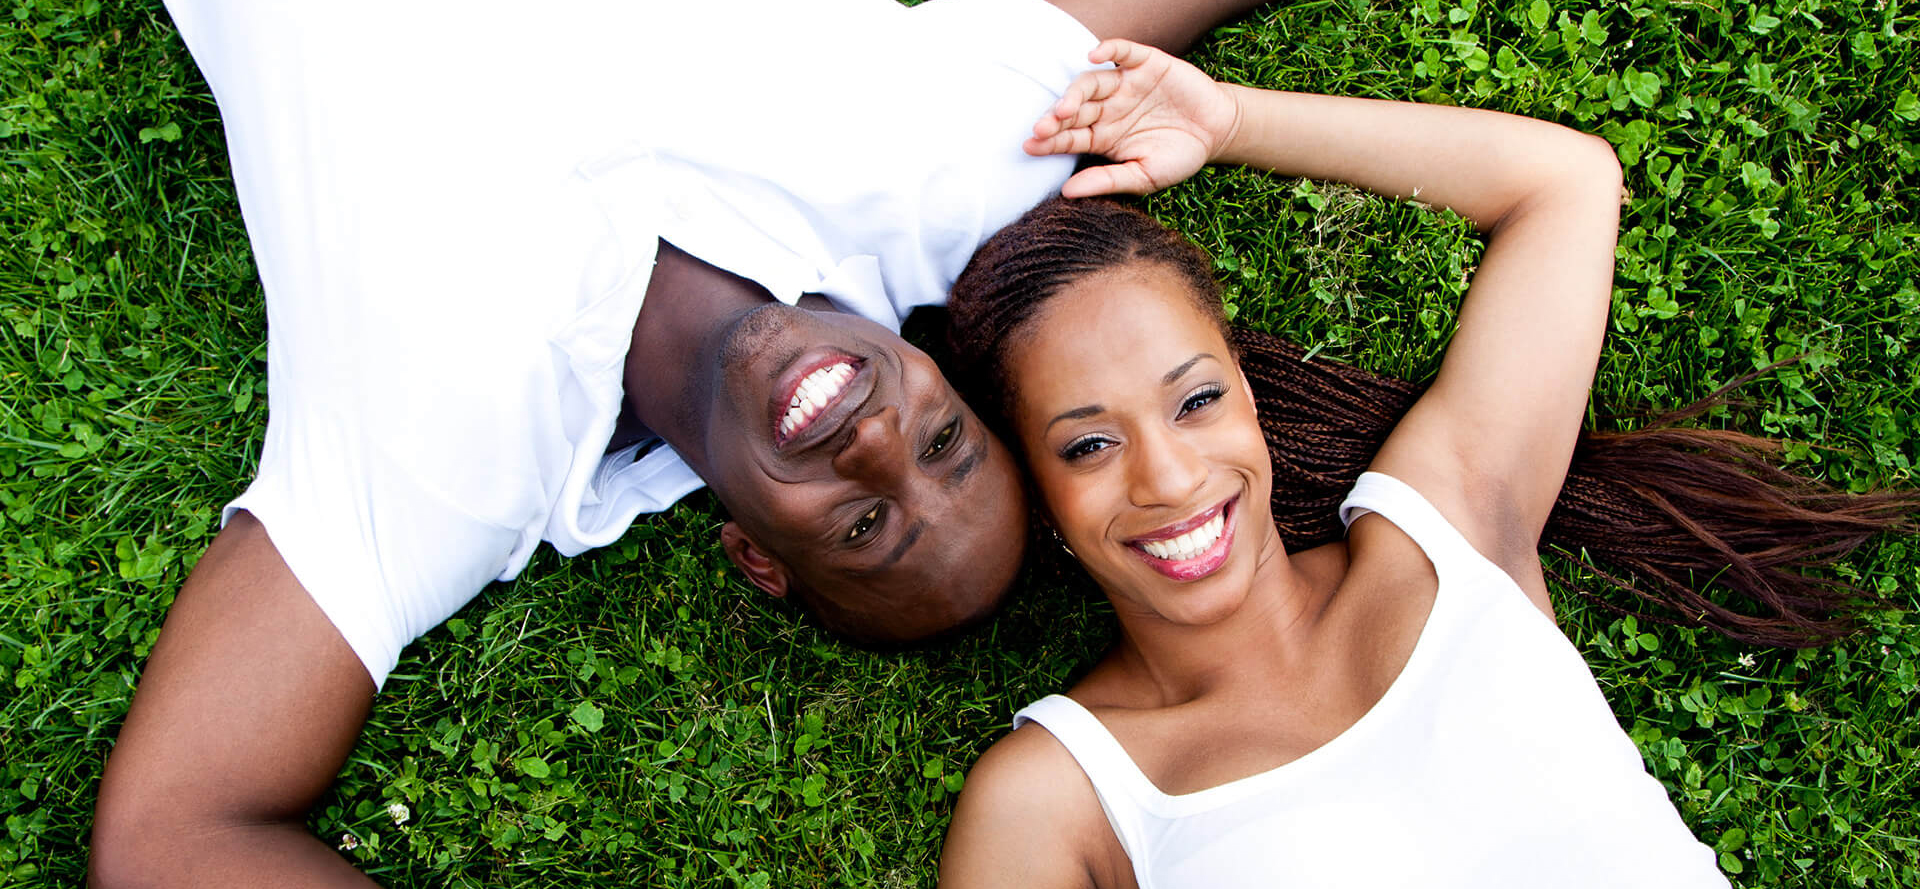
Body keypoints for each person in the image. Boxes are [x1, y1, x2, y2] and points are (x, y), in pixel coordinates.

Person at [86, 1, 1267, 885]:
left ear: (757, 557)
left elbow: (168, 833)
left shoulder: (453, 472)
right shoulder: (937, 171)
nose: (874, 443)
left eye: (865, 526)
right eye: (946, 442)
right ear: (947, 374)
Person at [937, 39, 1910, 887]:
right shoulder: (1063, 795)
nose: (1171, 478)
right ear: (1037, 486)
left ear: (1249, 391)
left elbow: (1562, 184)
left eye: (1197, 400)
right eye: (1089, 444)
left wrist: (1229, 118)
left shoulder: (1445, 531)